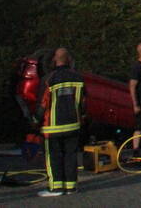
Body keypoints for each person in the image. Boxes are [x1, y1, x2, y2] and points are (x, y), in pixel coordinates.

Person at [35, 47, 86, 198]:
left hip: (52, 126)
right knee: (71, 156)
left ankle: (56, 187)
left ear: (54, 60)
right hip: (73, 124)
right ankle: (71, 187)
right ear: (69, 59)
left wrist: (35, 120)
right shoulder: (78, 78)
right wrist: (82, 118)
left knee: (53, 156)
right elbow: (83, 102)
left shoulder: (49, 79)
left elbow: (43, 103)